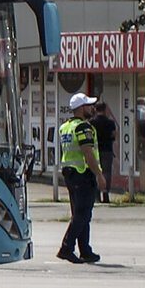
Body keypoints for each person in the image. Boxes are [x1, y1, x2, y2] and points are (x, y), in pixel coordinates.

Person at [57, 92, 102, 263]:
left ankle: (85, 250)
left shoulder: (65, 126)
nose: (92, 108)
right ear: (81, 108)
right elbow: (88, 152)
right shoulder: (83, 127)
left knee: (81, 213)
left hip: (70, 173)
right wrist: (99, 174)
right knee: (82, 214)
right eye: (89, 105)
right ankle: (66, 248)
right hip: (83, 173)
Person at [90, 99, 118, 202]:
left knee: (96, 171)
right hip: (107, 150)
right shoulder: (110, 123)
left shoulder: (92, 123)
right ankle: (105, 194)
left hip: (95, 150)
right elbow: (114, 135)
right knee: (107, 172)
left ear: (95, 109)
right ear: (105, 110)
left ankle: (97, 195)